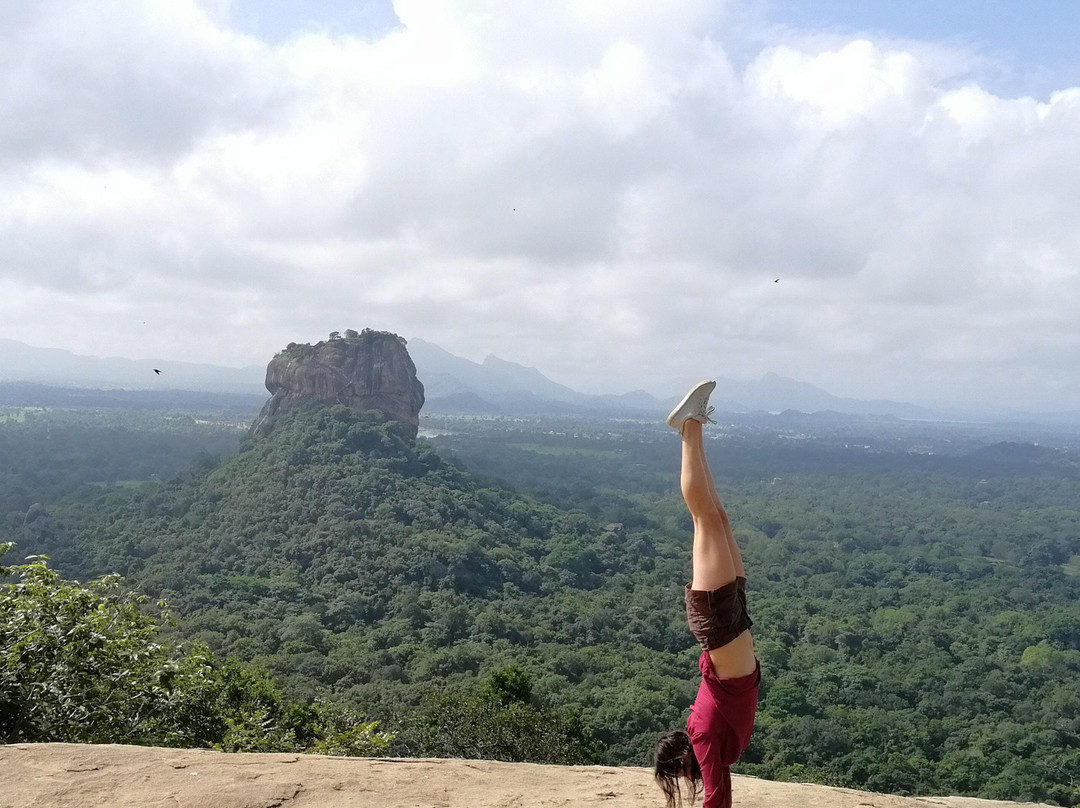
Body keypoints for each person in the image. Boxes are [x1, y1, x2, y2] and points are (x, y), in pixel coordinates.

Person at [654, 380, 760, 808]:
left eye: (678, 771)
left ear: (681, 757)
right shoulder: (701, 732)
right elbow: (720, 793)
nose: (687, 774)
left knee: (705, 519)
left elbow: (716, 798)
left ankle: (690, 425)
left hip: (720, 626)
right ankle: (690, 425)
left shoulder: (699, 735)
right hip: (732, 625)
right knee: (718, 518)